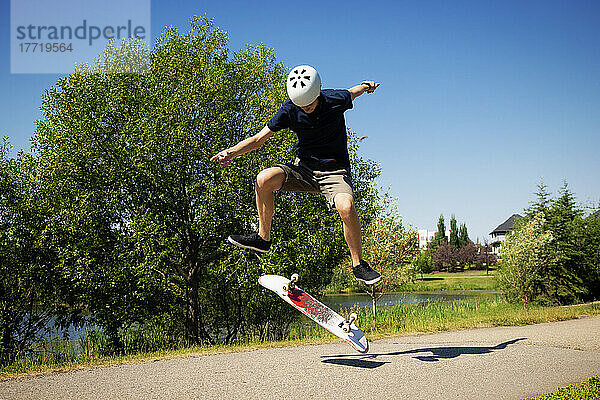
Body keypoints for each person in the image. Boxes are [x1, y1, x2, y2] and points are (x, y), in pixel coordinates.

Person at [211, 65, 381, 284]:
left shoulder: (334, 99)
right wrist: (231, 152)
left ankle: (359, 265)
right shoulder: (290, 109)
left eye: (310, 104)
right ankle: (263, 239)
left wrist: (367, 86)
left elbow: (354, 91)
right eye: (302, 105)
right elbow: (258, 140)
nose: (306, 108)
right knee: (264, 179)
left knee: (346, 207)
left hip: (334, 171)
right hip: (304, 170)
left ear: (318, 93)